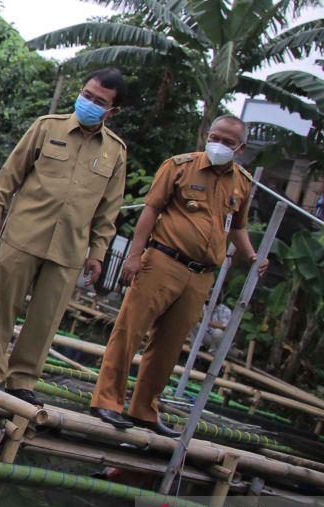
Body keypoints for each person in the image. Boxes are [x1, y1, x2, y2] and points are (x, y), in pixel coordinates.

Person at [90, 114, 267, 435]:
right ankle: (107, 400)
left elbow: (237, 228)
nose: (219, 145)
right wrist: (134, 255)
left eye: (228, 142)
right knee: (130, 330)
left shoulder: (242, 182)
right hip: (162, 261)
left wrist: (253, 256)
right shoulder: (179, 166)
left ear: (240, 148)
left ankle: (144, 409)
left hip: (201, 276)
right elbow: (151, 210)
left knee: (170, 345)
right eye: (215, 137)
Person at [0, 69, 128, 405]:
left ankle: (22, 380)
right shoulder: (47, 126)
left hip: (70, 248)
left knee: (45, 320)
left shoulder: (115, 152)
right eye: (86, 94)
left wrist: (98, 253)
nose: (88, 103)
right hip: (24, 233)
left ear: (112, 112)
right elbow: (9, 175)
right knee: (3, 306)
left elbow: (109, 210)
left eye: (99, 101)